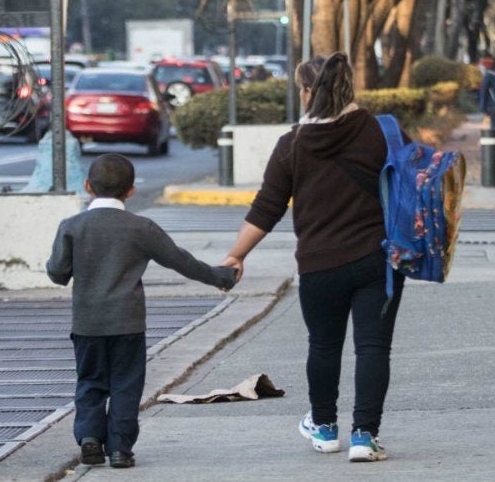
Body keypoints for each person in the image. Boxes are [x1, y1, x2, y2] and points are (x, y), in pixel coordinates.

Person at [221, 52, 405, 463]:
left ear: (307, 91)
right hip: (377, 261)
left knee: (324, 345)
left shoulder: (293, 144)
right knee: (373, 348)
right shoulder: (381, 131)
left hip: (320, 266)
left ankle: (324, 427)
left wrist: (235, 256)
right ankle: (364, 436)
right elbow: (411, 181)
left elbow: (266, 209)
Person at [46, 153, 237, 469]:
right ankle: (120, 448)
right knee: (125, 384)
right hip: (128, 323)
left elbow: (57, 272)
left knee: (90, 380)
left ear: (87, 186)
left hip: (87, 324)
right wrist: (221, 276)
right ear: (131, 190)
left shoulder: (72, 227)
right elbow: (181, 261)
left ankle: (90, 439)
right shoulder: (141, 228)